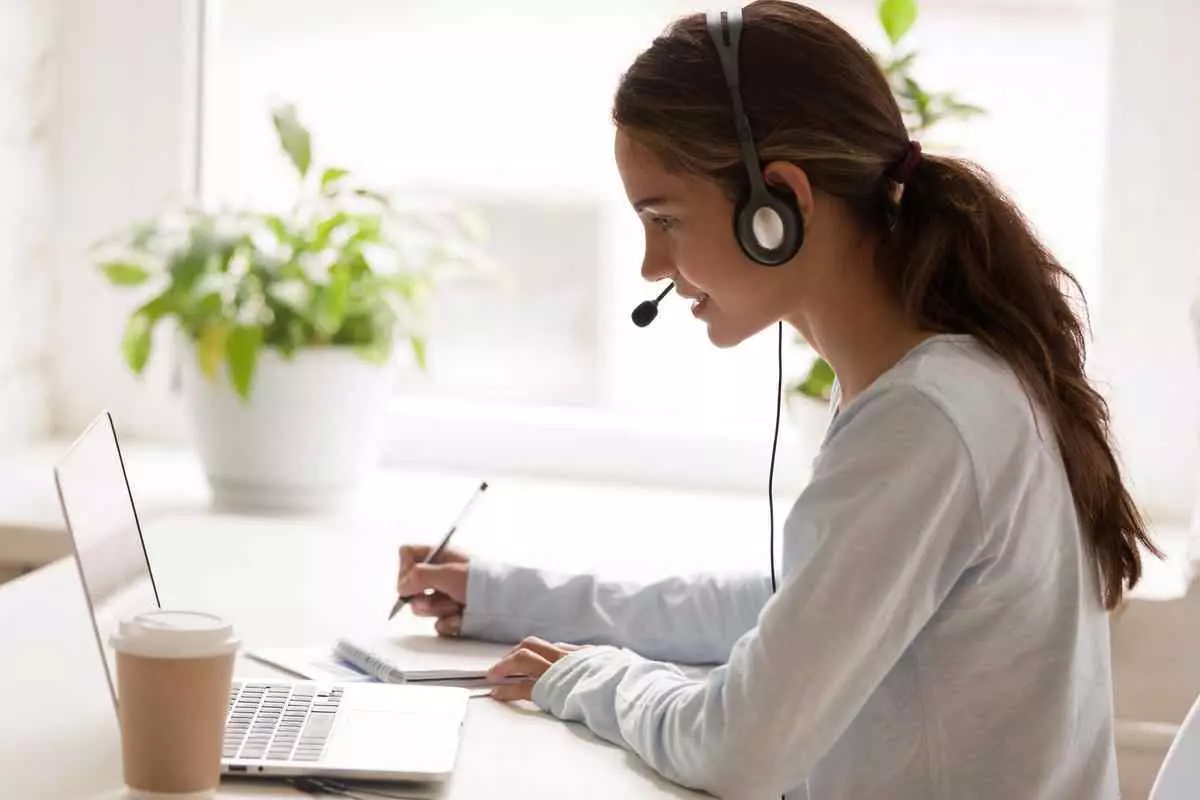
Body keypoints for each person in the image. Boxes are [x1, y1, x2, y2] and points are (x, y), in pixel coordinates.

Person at [395, 2, 1158, 798]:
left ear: (778, 206)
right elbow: (791, 606)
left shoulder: (928, 419)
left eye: (665, 218)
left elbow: (739, 751)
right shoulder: (931, 382)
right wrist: (514, 597)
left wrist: (593, 680)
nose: (652, 265)